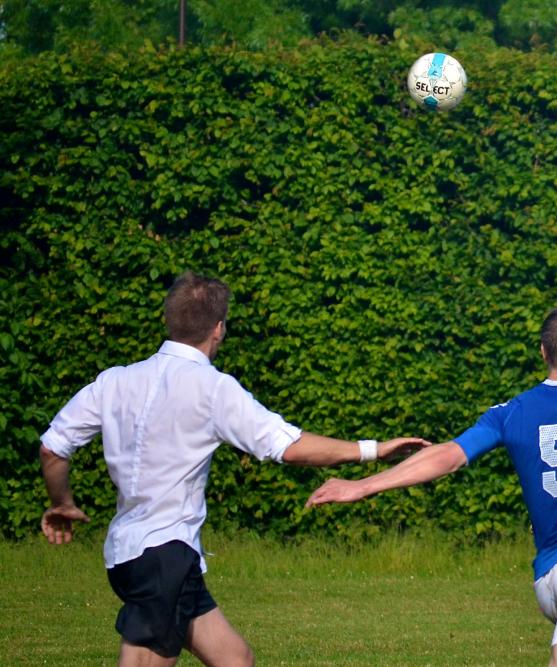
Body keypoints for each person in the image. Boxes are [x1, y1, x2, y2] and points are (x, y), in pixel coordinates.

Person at [39, 271, 429, 667]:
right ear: (219, 329)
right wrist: (373, 450)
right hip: (164, 555)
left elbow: (52, 448)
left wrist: (62, 502)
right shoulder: (213, 388)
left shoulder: (114, 381)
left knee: (236, 660)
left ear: (169, 320)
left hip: (131, 557)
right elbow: (290, 447)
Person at [306, 302, 557, 667]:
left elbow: (447, 456)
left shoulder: (511, 411)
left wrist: (364, 485)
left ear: (543, 352)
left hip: (549, 578)